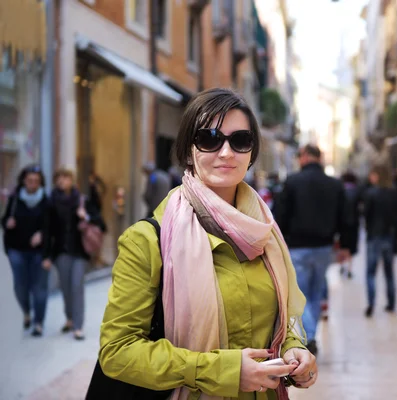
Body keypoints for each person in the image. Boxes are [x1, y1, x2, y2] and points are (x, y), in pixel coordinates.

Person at [98, 88, 317, 399]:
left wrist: (293, 351)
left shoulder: (264, 232)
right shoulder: (148, 241)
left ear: (251, 154)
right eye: (209, 138)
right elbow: (117, 351)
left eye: (240, 140)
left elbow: (277, 325)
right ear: (188, 151)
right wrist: (223, 371)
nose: (226, 152)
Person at [276, 144, 350, 356]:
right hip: (324, 247)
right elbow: (346, 218)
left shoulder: (292, 182)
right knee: (316, 293)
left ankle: (309, 336)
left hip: (298, 247)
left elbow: (280, 215)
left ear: (306, 156)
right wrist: (346, 245)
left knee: (300, 294)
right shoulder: (334, 184)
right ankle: (311, 334)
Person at [45, 168, 106, 340]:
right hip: (61, 252)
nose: (62, 181)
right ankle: (70, 318)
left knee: (76, 287)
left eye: (65, 178)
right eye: (59, 178)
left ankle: (78, 326)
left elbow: (101, 224)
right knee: (65, 288)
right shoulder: (51, 202)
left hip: (80, 252)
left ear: (72, 180)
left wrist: (85, 216)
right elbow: (48, 230)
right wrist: (48, 256)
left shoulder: (82, 201)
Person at [1, 165, 51, 337]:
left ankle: (38, 322)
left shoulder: (46, 201)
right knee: (20, 287)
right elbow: (4, 220)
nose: (33, 184)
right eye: (30, 180)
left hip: (39, 253)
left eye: (36, 181)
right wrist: (7, 223)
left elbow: (52, 228)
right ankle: (26, 312)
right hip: (17, 250)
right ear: (23, 181)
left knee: (39, 288)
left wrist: (42, 235)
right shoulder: (15, 199)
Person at [363, 165, 397, 318]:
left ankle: (371, 303)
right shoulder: (394, 192)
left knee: (371, 272)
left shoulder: (371, 193)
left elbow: (366, 215)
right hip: (389, 236)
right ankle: (391, 303)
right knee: (389, 272)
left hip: (374, 236)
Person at [339, 171, 361, 279]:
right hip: (354, 224)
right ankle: (349, 268)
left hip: (342, 224)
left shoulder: (340, 191)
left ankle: (343, 265)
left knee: (343, 246)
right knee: (351, 248)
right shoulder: (357, 191)